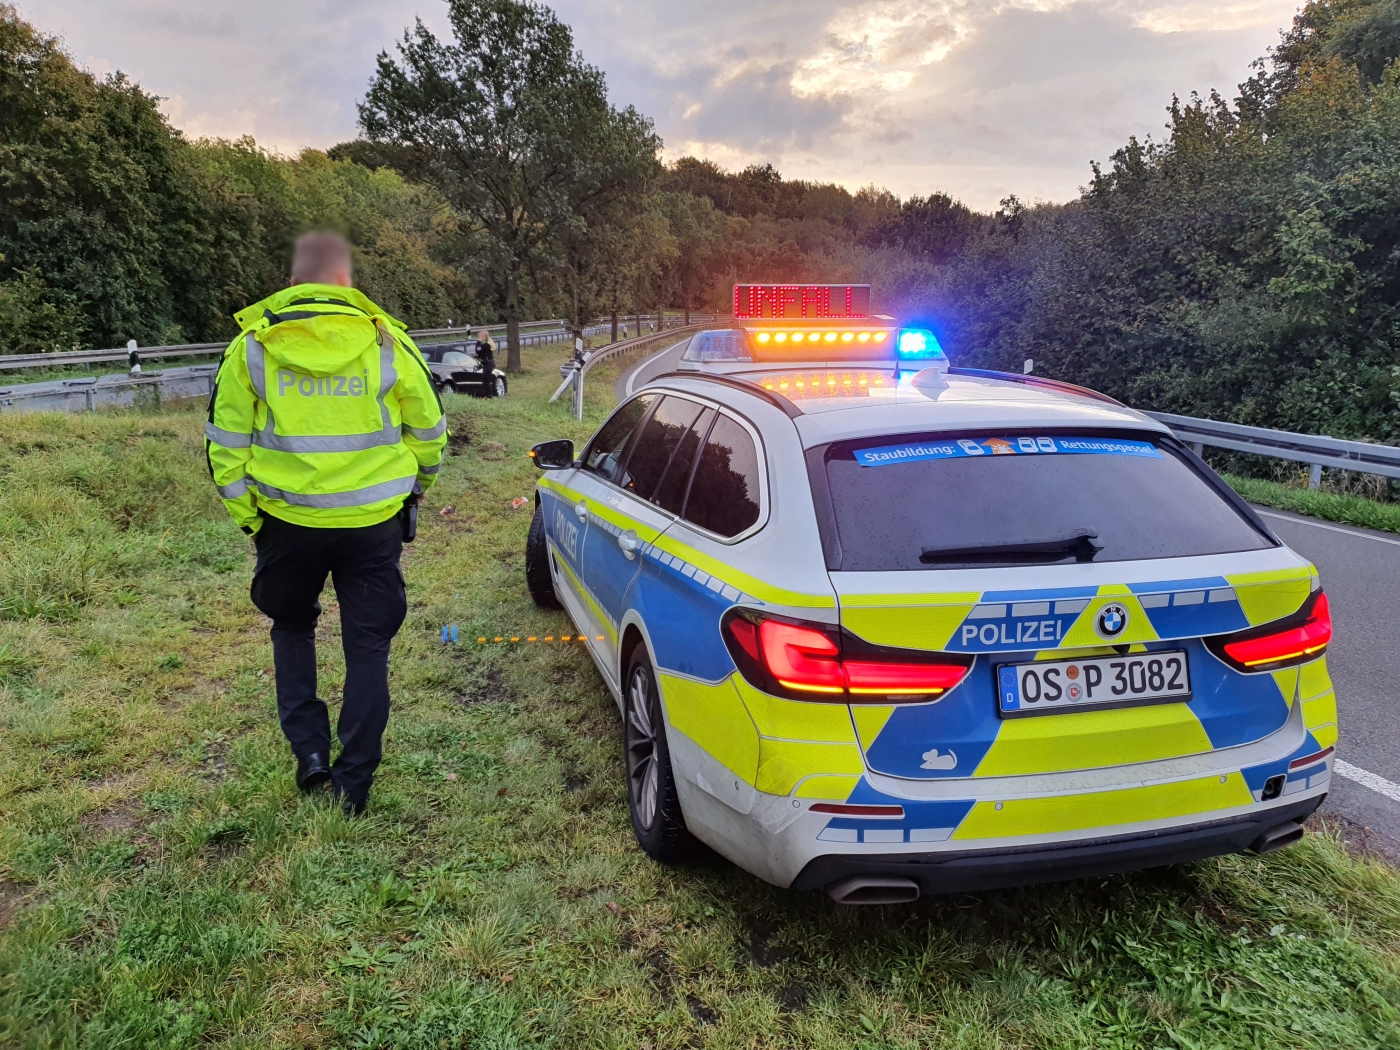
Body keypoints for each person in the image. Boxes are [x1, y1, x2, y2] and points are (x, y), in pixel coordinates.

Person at [204, 232, 447, 816]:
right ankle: (354, 784)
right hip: (373, 524)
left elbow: (224, 448)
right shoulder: (388, 342)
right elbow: (431, 433)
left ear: (293, 281)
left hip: (286, 524)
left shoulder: (252, 346)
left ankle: (310, 753)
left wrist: (251, 521)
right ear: (345, 280)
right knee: (368, 647)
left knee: (292, 627)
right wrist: (415, 489)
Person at [473, 329, 496, 397]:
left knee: (486, 379)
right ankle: (488, 394)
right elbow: (482, 353)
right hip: (489, 363)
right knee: (486, 379)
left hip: (488, 364)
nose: (478, 337)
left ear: (483, 336)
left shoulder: (485, 344)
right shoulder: (487, 343)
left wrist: (478, 341)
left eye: (479, 336)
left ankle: (489, 395)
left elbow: (477, 349)